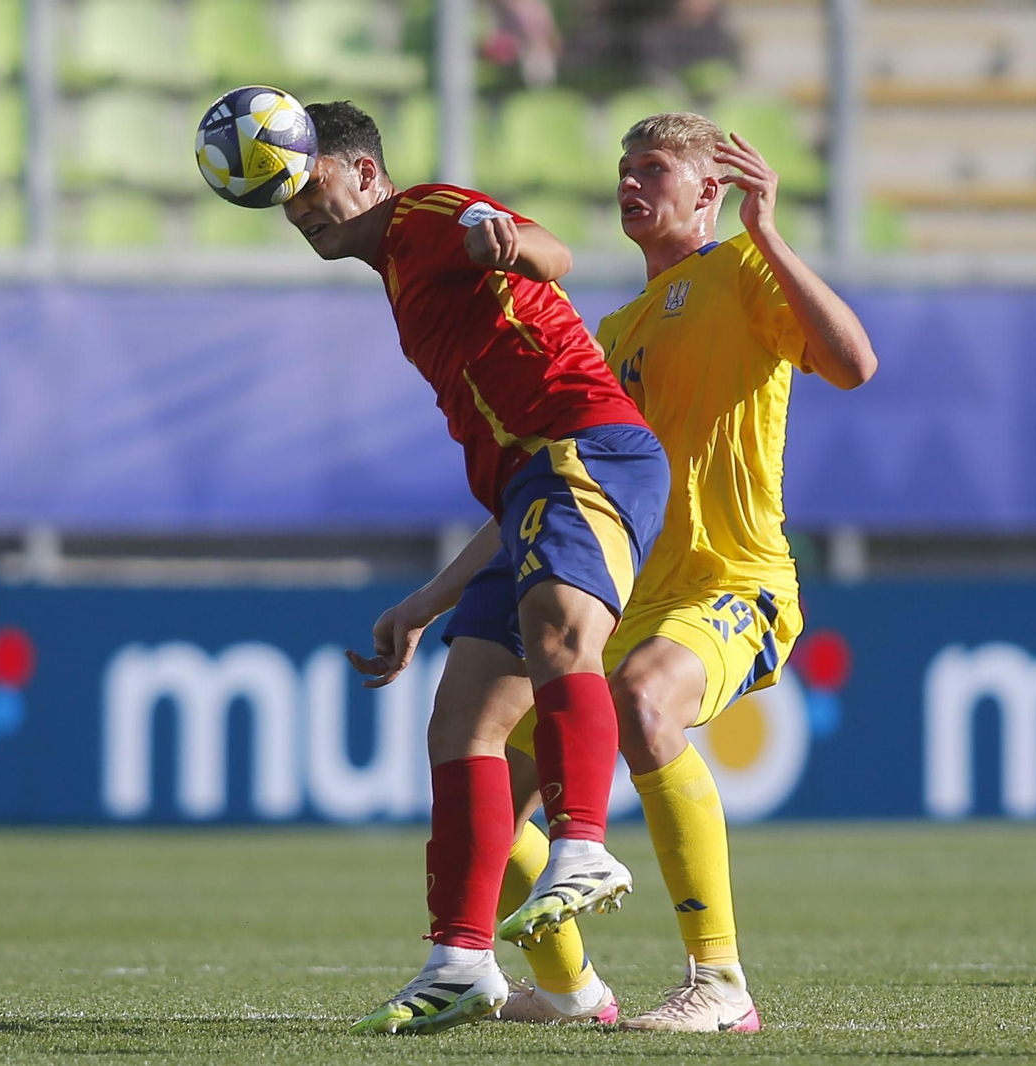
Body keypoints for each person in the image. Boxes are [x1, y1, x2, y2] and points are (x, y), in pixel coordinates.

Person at [281, 101, 669, 1035]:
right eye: (286, 198)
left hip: (590, 450)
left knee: (558, 638)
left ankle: (582, 845)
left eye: (313, 184)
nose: (299, 209)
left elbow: (548, 252)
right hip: (534, 486)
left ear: (367, 174)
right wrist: (423, 602)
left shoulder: (423, 217)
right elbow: (513, 502)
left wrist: (509, 245)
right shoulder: (396, 268)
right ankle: (460, 959)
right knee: (462, 723)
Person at [492, 111, 877, 1031]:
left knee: (640, 699)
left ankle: (721, 985)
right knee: (487, 786)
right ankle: (570, 992)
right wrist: (435, 597)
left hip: (735, 583)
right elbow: (561, 474)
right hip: (632, 599)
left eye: (654, 169)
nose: (630, 183)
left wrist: (770, 233)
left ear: (710, 191)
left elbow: (855, 365)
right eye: (623, 168)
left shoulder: (745, 270)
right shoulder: (613, 327)